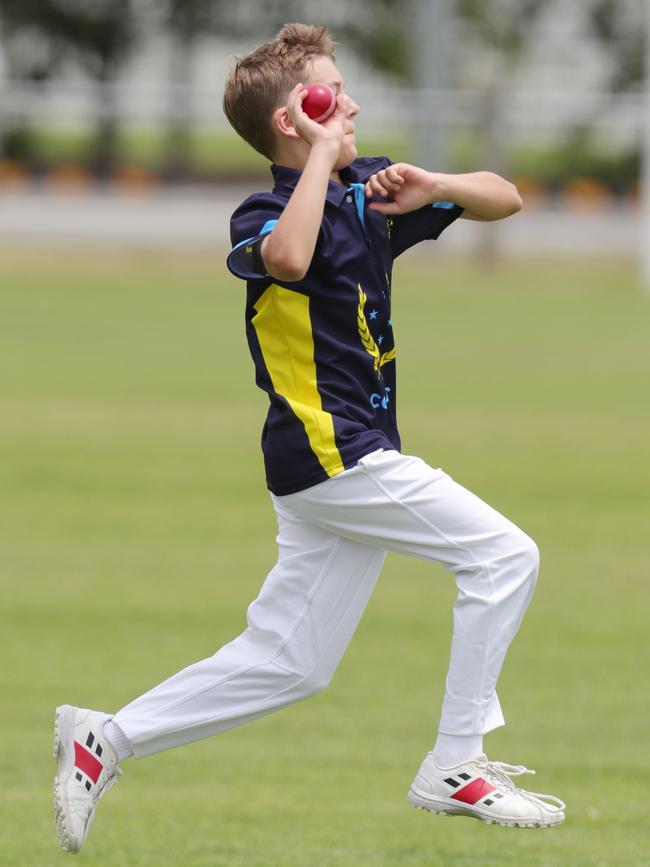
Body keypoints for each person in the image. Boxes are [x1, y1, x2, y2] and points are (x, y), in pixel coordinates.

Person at [53, 22, 565, 854]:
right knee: (506, 556)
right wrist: (325, 157)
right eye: (331, 93)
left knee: (292, 661)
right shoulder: (264, 212)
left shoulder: (366, 194)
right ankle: (456, 762)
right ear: (296, 119)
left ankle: (104, 738)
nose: (351, 104)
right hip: (340, 458)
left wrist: (432, 180)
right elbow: (288, 258)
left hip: (330, 469)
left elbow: (505, 197)